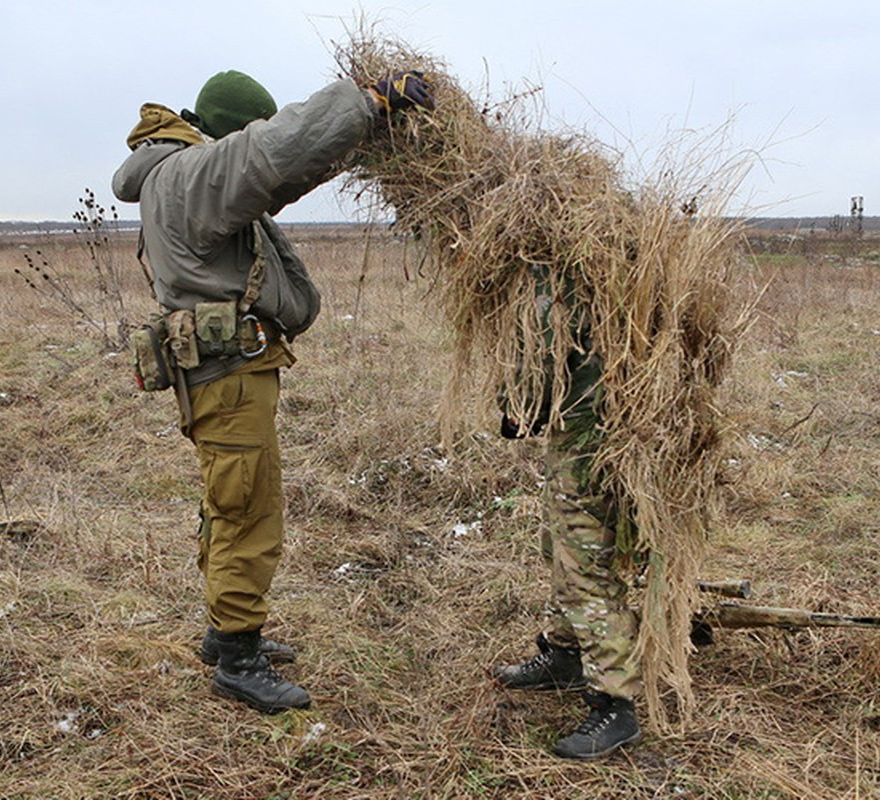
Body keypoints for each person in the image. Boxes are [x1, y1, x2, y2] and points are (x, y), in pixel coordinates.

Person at [112, 68, 432, 714]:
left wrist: (353, 137)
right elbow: (272, 152)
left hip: (228, 370)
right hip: (226, 375)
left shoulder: (181, 173)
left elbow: (281, 175)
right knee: (247, 509)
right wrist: (364, 101)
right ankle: (238, 658)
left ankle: (222, 632)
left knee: (230, 499)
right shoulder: (191, 174)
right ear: (227, 132)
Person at [493, 295, 646, 759]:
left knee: (585, 566)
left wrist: (517, 406)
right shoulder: (598, 278)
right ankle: (564, 654)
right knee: (559, 547)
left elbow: (536, 375)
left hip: (592, 441)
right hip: (585, 436)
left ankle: (615, 703)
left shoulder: (566, 293)